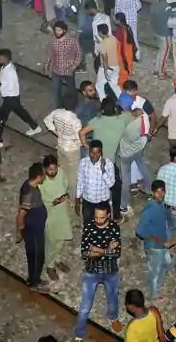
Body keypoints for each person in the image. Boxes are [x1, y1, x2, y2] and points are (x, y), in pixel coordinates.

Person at [73, 202, 123, 340]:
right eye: (96, 217)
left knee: (113, 299)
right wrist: (107, 249)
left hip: (110, 270)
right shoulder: (89, 227)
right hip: (91, 270)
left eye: (101, 218)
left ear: (108, 215)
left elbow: (116, 253)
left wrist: (96, 250)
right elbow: (84, 252)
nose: (98, 220)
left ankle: (113, 317)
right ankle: (79, 332)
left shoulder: (114, 228)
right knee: (85, 304)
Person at [0, 48, 42, 141]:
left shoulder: (11, 72)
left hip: (10, 97)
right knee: (21, 112)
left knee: (1, 119)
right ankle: (35, 127)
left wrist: (0, 86)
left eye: (0, 57)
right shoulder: (5, 67)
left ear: (6, 58)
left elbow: (9, 87)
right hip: (12, 97)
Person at [17, 162, 49, 292]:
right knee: (37, 255)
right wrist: (20, 230)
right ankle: (34, 281)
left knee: (35, 254)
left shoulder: (30, 185)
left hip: (36, 227)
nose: (45, 176)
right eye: (43, 175)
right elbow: (21, 214)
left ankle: (33, 279)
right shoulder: (29, 193)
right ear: (38, 177)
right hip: (33, 229)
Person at [137, 180, 170, 299]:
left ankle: (156, 285)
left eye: (162, 192)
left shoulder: (160, 204)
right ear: (153, 192)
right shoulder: (150, 209)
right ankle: (153, 294)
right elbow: (140, 231)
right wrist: (154, 238)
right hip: (154, 246)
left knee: (165, 263)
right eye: (157, 192)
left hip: (162, 243)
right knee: (155, 270)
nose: (160, 194)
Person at [75, 140, 117, 224]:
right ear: (89, 151)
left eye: (97, 153)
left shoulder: (108, 164)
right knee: (87, 222)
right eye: (92, 153)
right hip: (88, 200)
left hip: (102, 201)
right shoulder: (83, 163)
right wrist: (77, 200)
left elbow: (111, 184)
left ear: (101, 152)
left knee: (102, 223)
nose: (94, 156)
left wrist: (103, 171)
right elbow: (80, 182)